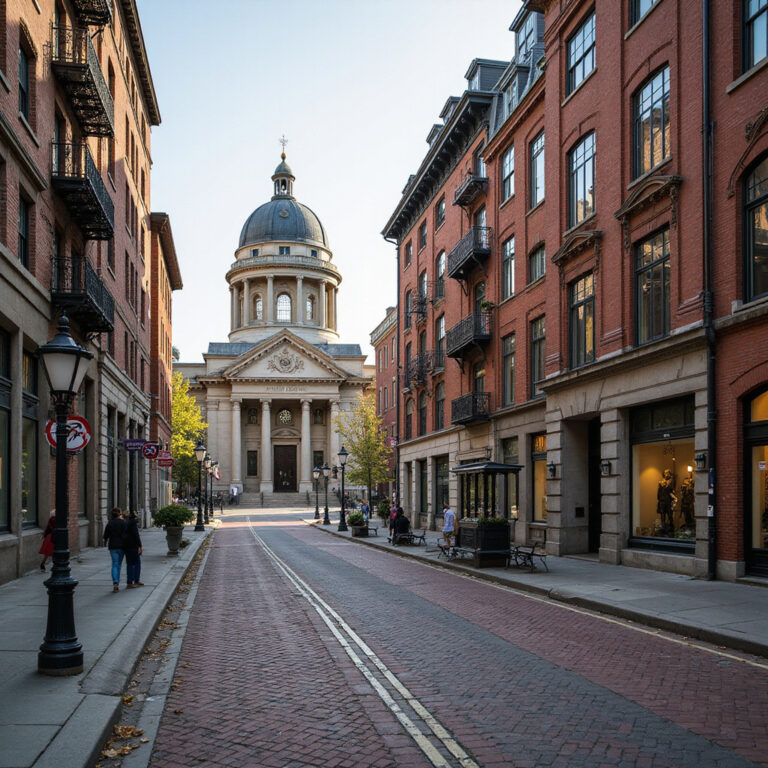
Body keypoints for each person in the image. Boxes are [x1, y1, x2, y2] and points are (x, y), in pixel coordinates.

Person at [103, 507, 127, 592]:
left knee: (114, 564)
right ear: (120, 514)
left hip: (113, 546)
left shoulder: (110, 523)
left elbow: (105, 536)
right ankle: (117, 581)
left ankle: (115, 583)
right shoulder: (123, 523)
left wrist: (105, 542)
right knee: (118, 565)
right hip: (122, 546)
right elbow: (126, 535)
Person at [124, 511, 144, 588]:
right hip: (133, 546)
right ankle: (131, 581)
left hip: (127, 546)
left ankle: (134, 580)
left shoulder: (127, 523)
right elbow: (136, 536)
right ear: (135, 517)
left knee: (131, 563)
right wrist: (140, 546)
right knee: (135, 563)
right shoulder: (133, 524)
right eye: (136, 516)